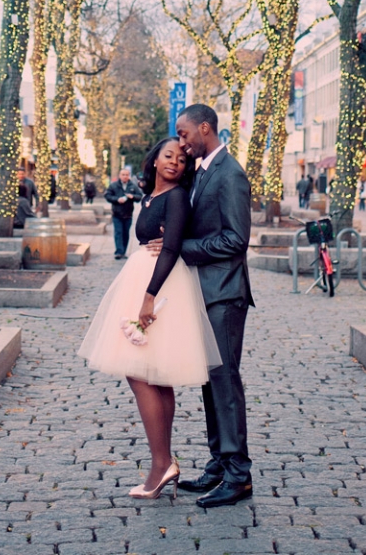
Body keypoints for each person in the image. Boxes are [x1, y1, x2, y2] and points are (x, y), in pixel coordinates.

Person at [79, 138, 220, 499]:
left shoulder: (174, 197)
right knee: (154, 376)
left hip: (160, 285)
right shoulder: (150, 197)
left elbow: (171, 247)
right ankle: (163, 462)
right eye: (168, 155)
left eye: (181, 159)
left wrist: (149, 297)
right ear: (155, 159)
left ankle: (161, 463)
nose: (175, 162)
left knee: (140, 372)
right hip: (145, 277)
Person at [168, 103, 254, 508]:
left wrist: (183, 249)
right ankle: (219, 465)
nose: (181, 143)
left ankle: (239, 475)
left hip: (225, 293)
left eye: (184, 134)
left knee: (225, 382)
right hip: (205, 294)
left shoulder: (231, 174)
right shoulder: (202, 172)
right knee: (210, 381)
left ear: (206, 128)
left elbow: (236, 240)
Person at [105, 167, 144, 259]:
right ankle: (119, 252)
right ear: (120, 175)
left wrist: (132, 196)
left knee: (125, 233)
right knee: (118, 232)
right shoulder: (114, 185)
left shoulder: (132, 186)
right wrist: (117, 199)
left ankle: (123, 251)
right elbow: (107, 195)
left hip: (128, 214)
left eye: (127, 175)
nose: (125, 176)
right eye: (123, 174)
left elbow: (139, 196)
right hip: (117, 214)